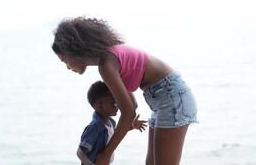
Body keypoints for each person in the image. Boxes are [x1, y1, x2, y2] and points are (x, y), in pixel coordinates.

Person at [52, 17, 198, 165]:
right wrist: (126, 128)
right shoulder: (109, 57)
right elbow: (132, 105)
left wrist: (106, 154)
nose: (68, 67)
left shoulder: (106, 64)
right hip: (163, 98)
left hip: (171, 97)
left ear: (74, 50)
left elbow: (128, 112)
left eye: (65, 61)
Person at [77, 80, 147, 165]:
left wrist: (132, 126)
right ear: (100, 105)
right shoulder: (95, 126)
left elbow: (114, 134)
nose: (117, 105)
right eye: (113, 103)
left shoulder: (111, 122)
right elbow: (80, 151)